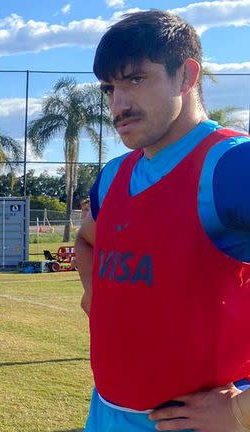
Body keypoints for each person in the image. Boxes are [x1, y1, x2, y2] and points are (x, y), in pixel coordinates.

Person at [75, 10, 250, 431]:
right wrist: (97, 294)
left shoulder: (230, 165)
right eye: (109, 88)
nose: (118, 104)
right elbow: (87, 242)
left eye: (135, 79)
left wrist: (240, 413)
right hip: (106, 410)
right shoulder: (114, 175)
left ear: (186, 76)